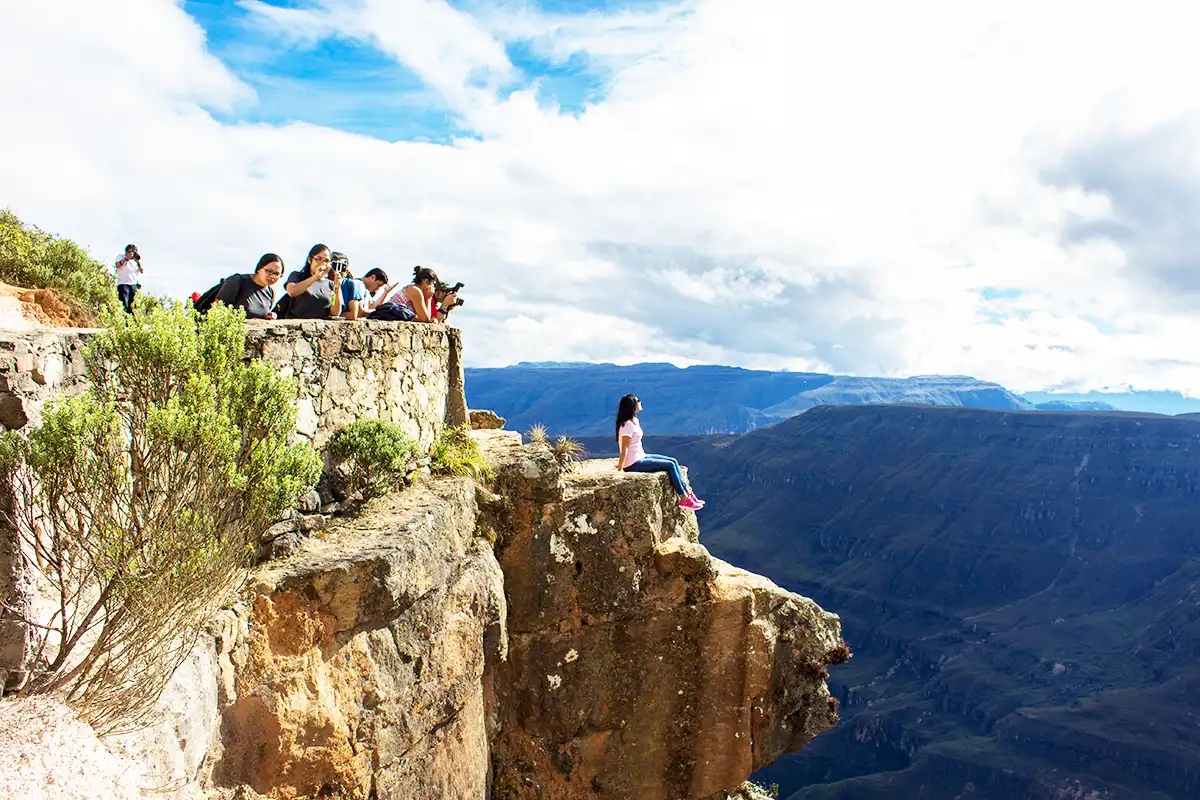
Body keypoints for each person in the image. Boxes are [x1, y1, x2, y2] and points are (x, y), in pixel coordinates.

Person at [615, 393, 704, 510]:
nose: (640, 402)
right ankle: (683, 499)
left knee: (673, 460)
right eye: (638, 400)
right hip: (632, 463)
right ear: (632, 405)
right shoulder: (627, 425)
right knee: (670, 465)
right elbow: (624, 448)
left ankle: (688, 493)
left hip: (641, 456)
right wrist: (620, 468)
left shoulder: (634, 421)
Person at [280, 243, 343, 319]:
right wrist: (315, 277)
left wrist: (337, 288)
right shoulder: (297, 276)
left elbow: (335, 313)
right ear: (310, 260)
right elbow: (292, 291)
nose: (322, 263)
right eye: (319, 259)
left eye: (326, 261)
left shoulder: (330, 284)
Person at [213, 253, 284, 319]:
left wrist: (268, 316)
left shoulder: (271, 292)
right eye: (269, 271)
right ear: (259, 268)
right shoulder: (238, 281)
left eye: (277, 274)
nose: (272, 276)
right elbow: (215, 310)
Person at [370, 267, 439, 323]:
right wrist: (429, 298)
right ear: (425, 281)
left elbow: (424, 318)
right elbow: (425, 319)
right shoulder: (415, 290)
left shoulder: (412, 288)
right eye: (432, 284)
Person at [115, 244, 143, 313]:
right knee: (124, 305)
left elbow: (141, 271)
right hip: (123, 284)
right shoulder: (121, 257)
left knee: (133, 307)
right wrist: (126, 259)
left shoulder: (135, 261)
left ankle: (131, 322)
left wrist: (138, 262)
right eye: (131, 252)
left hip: (133, 285)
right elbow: (117, 265)